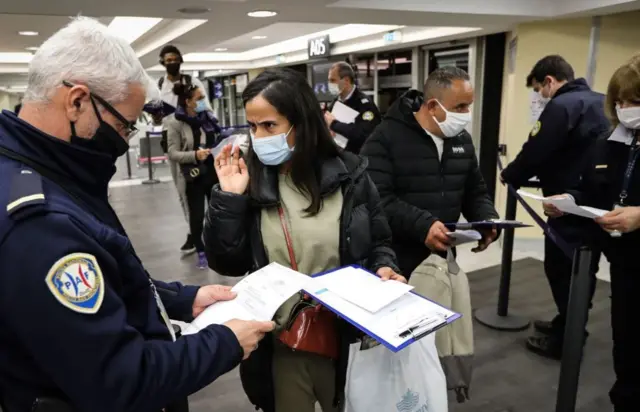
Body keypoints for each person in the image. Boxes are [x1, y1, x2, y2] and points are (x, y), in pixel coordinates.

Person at [0, 17, 273, 412]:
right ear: (77, 101)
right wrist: (225, 343)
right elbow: (120, 379)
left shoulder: (39, 171)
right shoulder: (39, 224)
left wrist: (184, 299)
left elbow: (98, 282)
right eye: (123, 125)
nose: (125, 138)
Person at [203, 68, 403, 412]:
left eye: (270, 126)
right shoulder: (248, 180)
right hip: (282, 341)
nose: (260, 137)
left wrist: (385, 267)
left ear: (302, 123)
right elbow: (226, 262)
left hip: (346, 336)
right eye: (252, 126)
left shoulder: (350, 176)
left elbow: (379, 242)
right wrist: (230, 199)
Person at [544, 54, 640, 412]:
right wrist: (569, 199)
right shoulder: (609, 140)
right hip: (625, 265)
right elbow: (593, 189)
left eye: (635, 101)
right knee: (627, 350)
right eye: (620, 101)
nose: (626, 109)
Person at [500, 55, 609, 359]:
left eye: (539, 89)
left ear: (549, 80)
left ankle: (567, 341)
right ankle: (567, 323)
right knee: (583, 270)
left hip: (565, 207)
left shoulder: (561, 106)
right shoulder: (602, 102)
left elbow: (536, 150)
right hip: (595, 206)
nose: (540, 96)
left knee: (562, 271)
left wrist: (510, 175)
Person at [360, 66, 499, 277]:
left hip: (444, 259)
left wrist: (486, 219)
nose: (466, 115)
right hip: (396, 263)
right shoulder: (385, 138)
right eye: (460, 107)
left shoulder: (461, 140)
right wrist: (423, 226)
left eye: (468, 106)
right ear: (433, 106)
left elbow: (474, 191)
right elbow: (377, 199)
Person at [158, 44, 211, 255]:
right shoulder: (160, 84)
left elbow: (204, 105)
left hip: (193, 134)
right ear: (163, 62)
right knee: (182, 188)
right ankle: (193, 231)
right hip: (172, 135)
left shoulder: (192, 82)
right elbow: (159, 112)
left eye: (175, 59)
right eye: (168, 60)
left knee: (202, 187)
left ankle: (201, 232)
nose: (172, 63)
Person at [166, 82, 221, 270]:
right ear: (188, 101)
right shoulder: (175, 122)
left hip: (212, 171)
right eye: (199, 99)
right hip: (193, 174)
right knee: (197, 215)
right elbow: (172, 153)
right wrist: (194, 155)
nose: (203, 102)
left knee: (216, 211)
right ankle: (201, 251)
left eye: (203, 98)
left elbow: (216, 137)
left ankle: (218, 247)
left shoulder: (208, 118)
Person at [324, 62, 381, 153]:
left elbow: (364, 134)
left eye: (333, 80)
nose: (329, 84)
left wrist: (334, 124)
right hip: (338, 156)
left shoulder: (364, 104)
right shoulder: (335, 102)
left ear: (346, 81)